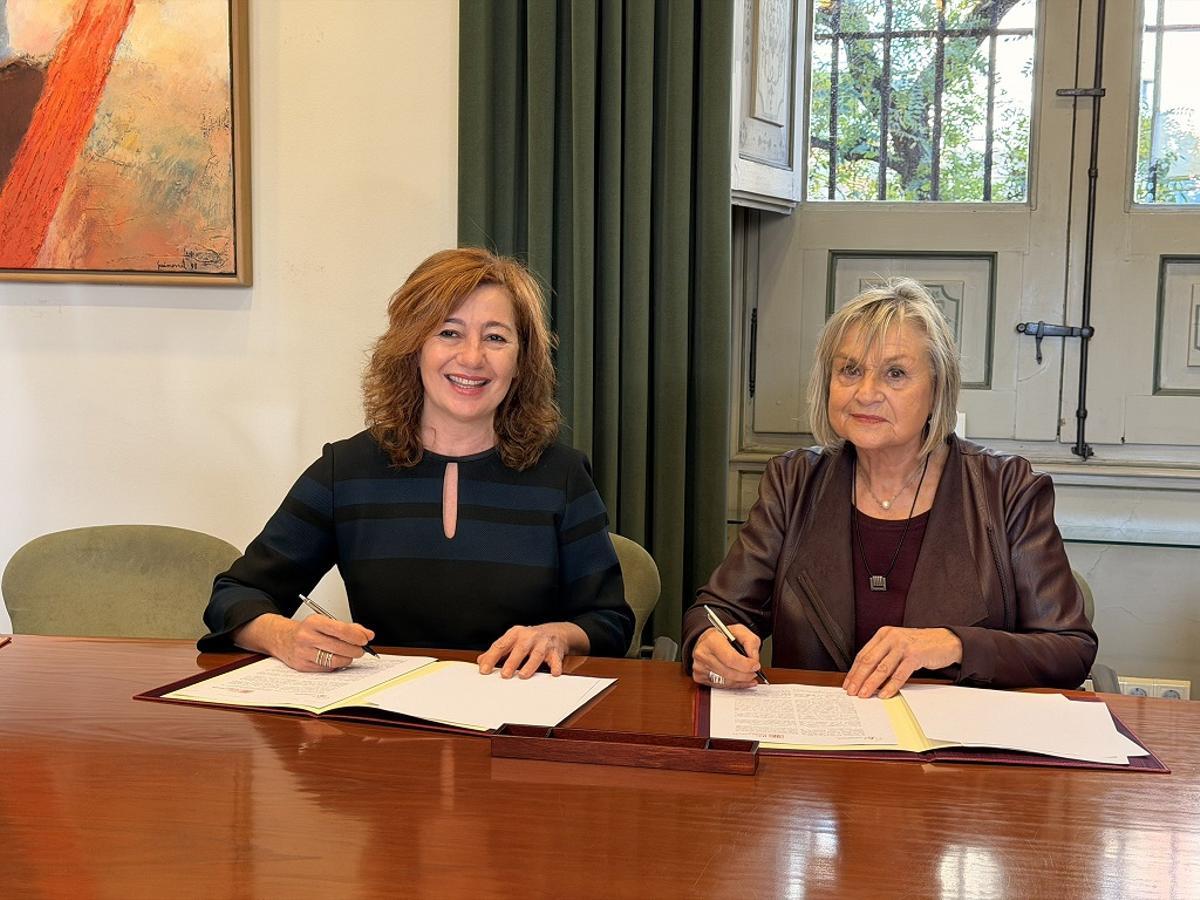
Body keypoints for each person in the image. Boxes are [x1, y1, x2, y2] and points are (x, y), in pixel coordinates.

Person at [199, 247, 634, 676]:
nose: (472, 357)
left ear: (521, 361)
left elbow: (610, 620)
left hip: (517, 708)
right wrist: (284, 636)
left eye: (496, 338)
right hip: (384, 712)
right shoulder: (345, 471)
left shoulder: (562, 476)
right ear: (413, 347)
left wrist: (559, 634)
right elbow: (234, 595)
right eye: (449, 332)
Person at [683, 279, 1097, 697]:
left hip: (955, 734)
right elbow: (717, 611)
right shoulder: (793, 482)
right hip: (820, 730)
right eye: (850, 370)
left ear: (937, 387)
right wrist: (708, 643)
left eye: (895, 374)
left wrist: (953, 644)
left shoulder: (1007, 488)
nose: (866, 394)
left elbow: (1069, 649)